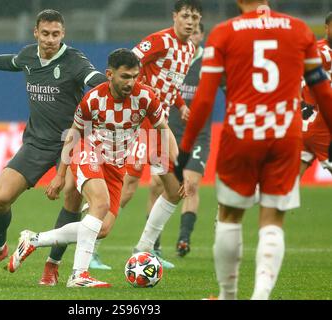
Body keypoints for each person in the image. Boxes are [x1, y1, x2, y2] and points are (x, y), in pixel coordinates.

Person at [177, 0, 332, 300]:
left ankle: (228, 296)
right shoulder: (299, 30)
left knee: (230, 216)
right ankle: (260, 297)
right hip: (285, 134)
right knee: (273, 219)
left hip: (241, 133)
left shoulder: (223, 33)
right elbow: (322, 90)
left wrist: (185, 149)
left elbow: (205, 99)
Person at [0, 9, 107, 284]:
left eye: (56, 34)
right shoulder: (28, 56)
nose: (51, 39)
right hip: (36, 142)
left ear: (64, 34)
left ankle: (53, 264)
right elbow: (9, 62)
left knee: (72, 196)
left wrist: (115, 87)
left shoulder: (74, 60)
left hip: (72, 142)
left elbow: (93, 78)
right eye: (46, 34)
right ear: (36, 33)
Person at [6, 48, 178, 288]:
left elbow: (163, 128)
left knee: (102, 228)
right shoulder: (93, 99)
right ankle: (79, 275)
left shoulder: (146, 97)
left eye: (135, 76)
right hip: (89, 152)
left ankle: (34, 240)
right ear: (109, 74)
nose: (131, 82)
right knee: (100, 205)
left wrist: (177, 163)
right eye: (125, 77)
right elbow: (73, 134)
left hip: (117, 166)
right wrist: (60, 174)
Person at [86, 0, 203, 270]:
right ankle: (90, 247)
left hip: (158, 124)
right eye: (185, 15)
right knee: (126, 186)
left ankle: (144, 249)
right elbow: (127, 66)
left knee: (174, 190)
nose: (190, 21)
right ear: (175, 16)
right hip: (138, 122)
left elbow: (170, 85)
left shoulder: (190, 48)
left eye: (195, 17)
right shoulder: (158, 41)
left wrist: (181, 105)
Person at [166, 23, 211, 257]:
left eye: (196, 32)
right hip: (170, 131)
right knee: (158, 186)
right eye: (189, 32)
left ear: (202, 35)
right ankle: (152, 245)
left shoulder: (210, 62)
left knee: (191, 185)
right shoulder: (172, 59)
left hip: (198, 135)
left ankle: (184, 238)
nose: (191, 36)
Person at [300, 12, 332, 177]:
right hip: (320, 126)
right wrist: (300, 103)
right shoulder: (321, 51)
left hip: (308, 126)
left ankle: (236, 199)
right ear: (326, 28)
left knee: (285, 181)